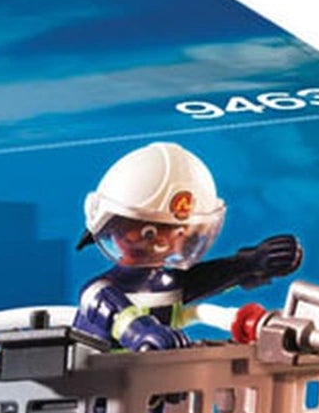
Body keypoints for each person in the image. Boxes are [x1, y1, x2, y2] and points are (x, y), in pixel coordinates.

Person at [72, 143, 302, 352]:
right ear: (113, 228)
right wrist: (140, 332)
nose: (168, 240)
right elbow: (119, 315)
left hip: (151, 376)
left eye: (182, 232)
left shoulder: (170, 284)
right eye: (150, 231)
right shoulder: (98, 292)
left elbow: (209, 278)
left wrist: (252, 263)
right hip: (95, 378)